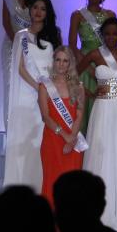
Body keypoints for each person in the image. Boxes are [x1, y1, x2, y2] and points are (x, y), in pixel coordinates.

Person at [78, 17, 117, 228]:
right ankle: (99, 211)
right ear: (102, 35)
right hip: (102, 109)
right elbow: (73, 73)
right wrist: (88, 91)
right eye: (107, 34)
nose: (111, 37)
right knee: (102, 153)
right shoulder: (95, 54)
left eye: (115, 33)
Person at [4, 0, 59, 191]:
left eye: (42, 9)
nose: (38, 11)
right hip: (27, 96)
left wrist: (47, 91)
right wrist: (38, 88)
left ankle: (37, 187)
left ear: (47, 13)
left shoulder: (51, 39)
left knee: (38, 143)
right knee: (23, 140)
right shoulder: (22, 36)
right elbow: (20, 68)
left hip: (44, 99)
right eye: (35, 7)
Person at [38, 46, 85, 207]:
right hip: (52, 141)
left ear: (70, 63)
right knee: (52, 183)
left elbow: (79, 115)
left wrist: (71, 139)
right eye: (58, 60)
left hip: (73, 143)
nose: (61, 64)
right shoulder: (45, 86)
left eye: (65, 61)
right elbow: (45, 116)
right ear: (53, 61)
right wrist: (65, 136)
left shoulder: (78, 86)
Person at [68, 0, 114, 131]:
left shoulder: (110, 15)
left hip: (105, 61)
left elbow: (114, 42)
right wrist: (88, 68)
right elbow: (72, 45)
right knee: (84, 105)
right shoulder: (77, 15)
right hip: (84, 63)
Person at [1, 0, 43, 121]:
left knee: (31, 85)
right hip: (12, 45)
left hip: (33, 46)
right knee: (11, 86)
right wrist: (18, 42)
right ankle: (11, 130)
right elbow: (6, 22)